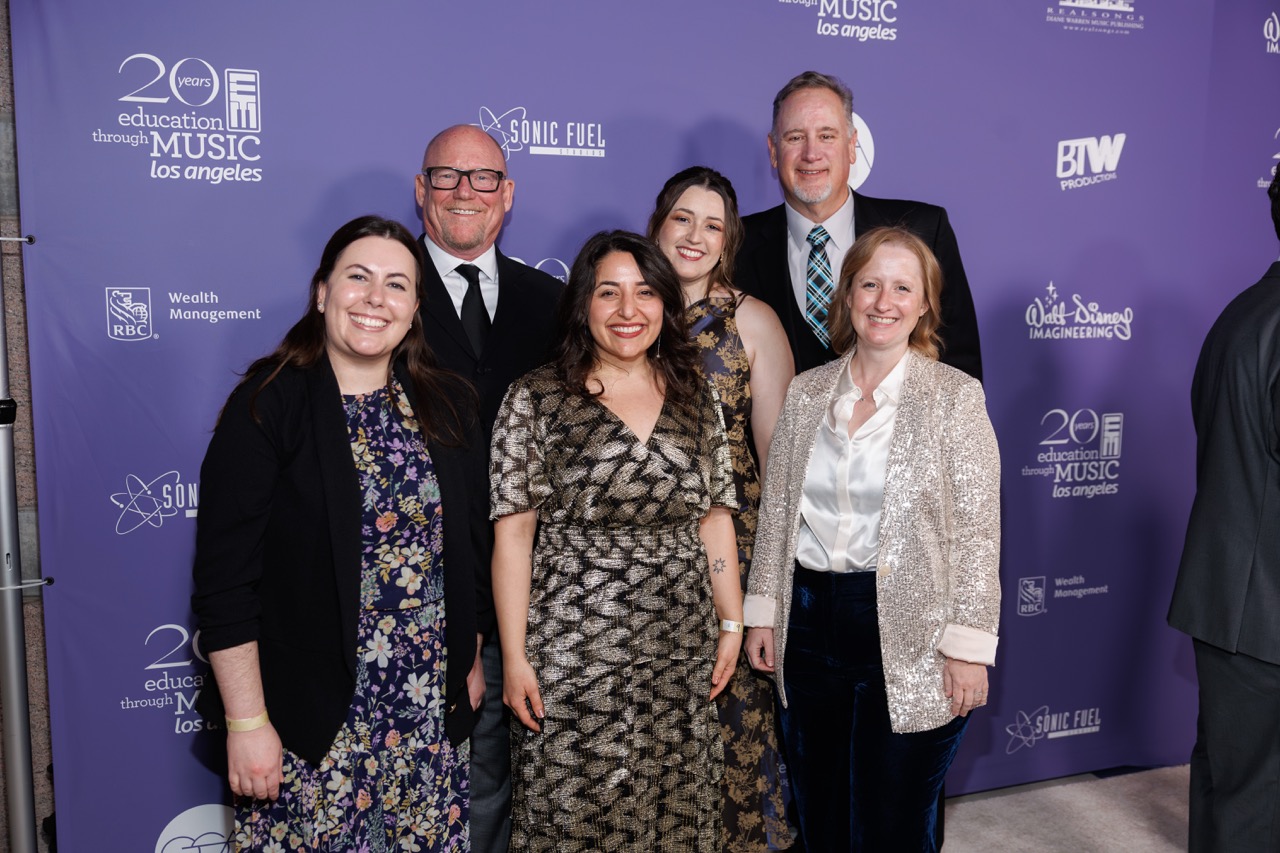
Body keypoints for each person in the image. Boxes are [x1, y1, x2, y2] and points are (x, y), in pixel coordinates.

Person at [191, 215, 490, 850]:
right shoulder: (267, 405)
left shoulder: (446, 403)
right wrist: (247, 723)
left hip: (425, 714)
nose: (376, 298)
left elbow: (467, 546)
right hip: (311, 724)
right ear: (323, 291)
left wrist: (469, 650)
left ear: (415, 308)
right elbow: (225, 584)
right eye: (358, 278)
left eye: (396, 285)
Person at [744, 226, 1000, 851]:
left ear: (925, 304)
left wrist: (968, 647)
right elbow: (778, 511)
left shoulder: (955, 398)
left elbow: (977, 532)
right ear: (847, 295)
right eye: (870, 284)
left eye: (903, 288)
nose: (884, 302)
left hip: (911, 632)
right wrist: (764, 613)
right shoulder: (806, 391)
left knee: (893, 826)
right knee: (823, 817)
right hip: (809, 627)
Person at [490, 230, 744, 851]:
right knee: (575, 812)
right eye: (609, 292)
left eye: (645, 292)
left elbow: (715, 518)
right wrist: (516, 657)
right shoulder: (536, 397)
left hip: (681, 643)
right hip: (575, 650)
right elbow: (514, 537)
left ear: (665, 303)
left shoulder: (695, 393)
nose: (629, 310)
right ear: (583, 303)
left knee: (676, 806)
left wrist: (732, 621)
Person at [414, 123, 563, 853]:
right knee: (438, 793)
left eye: (483, 178)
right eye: (448, 176)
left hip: (541, 598)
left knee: (524, 789)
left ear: (507, 194)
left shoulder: (554, 302)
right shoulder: (383, 290)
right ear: (422, 190)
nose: (464, 192)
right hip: (415, 598)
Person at [647, 165, 797, 851]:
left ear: (728, 239)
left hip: (730, 555)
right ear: (658, 223)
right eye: (683, 218)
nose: (695, 235)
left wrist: (767, 595)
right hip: (639, 558)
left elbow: (781, 470)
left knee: (735, 731)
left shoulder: (752, 321)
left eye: (713, 225)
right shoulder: (622, 307)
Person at [735, 70, 983, 381]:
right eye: (795, 137)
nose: (811, 154)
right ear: (773, 151)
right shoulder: (735, 243)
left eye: (827, 136)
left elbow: (960, 370)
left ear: (852, 146)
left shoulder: (924, 230)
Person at [1168, 170, 1280, 853]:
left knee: (1227, 786)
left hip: (1231, 600)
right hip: (1265, 611)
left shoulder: (1243, 311)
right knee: (1256, 803)